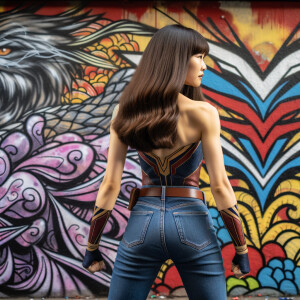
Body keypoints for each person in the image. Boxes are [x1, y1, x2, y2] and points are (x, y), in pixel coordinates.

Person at [82, 24, 250, 300]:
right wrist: (241, 248)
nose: (204, 65)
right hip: (192, 221)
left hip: (142, 223)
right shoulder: (204, 113)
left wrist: (92, 245)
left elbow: (110, 184)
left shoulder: (124, 111)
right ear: (176, 59)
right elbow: (220, 187)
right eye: (198, 56)